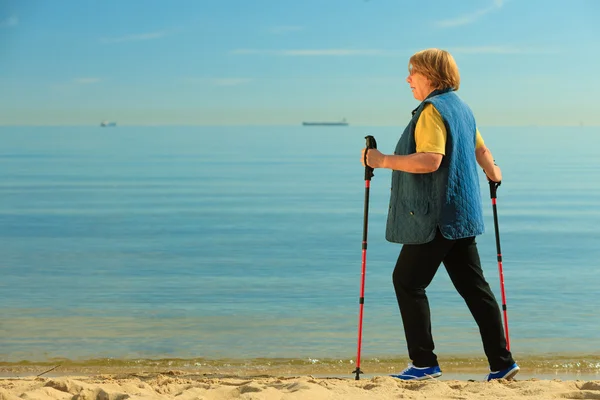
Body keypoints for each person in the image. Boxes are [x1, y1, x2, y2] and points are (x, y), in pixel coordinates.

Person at [361, 48, 519, 381]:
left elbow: (430, 160)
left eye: (412, 72)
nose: (408, 79)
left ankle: (424, 363)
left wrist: (381, 160)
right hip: (462, 216)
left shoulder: (432, 111)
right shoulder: (463, 109)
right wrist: (494, 173)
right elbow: (481, 150)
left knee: (406, 282)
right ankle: (502, 363)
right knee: (475, 288)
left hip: (435, 218)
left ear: (431, 75)